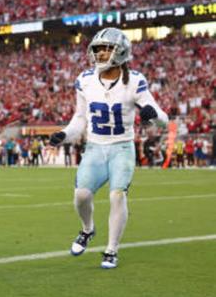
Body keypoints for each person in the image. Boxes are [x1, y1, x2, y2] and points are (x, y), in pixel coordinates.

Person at [50, 28, 168, 269]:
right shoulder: (85, 80)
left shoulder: (135, 80)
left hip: (121, 148)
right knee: (81, 195)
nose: (101, 54)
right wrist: (65, 134)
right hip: (94, 148)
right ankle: (87, 229)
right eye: (98, 49)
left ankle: (112, 249)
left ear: (121, 51)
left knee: (117, 195)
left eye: (107, 48)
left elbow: (163, 119)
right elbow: (80, 119)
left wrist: (152, 115)